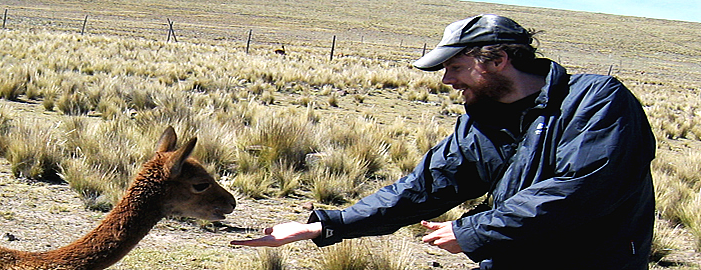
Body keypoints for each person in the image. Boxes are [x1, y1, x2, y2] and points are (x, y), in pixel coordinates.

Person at [231, 14, 655, 270]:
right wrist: (325, 225)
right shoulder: (482, 121)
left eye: (455, 66)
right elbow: (422, 189)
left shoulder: (597, 100)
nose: (447, 80)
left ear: (497, 60)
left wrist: (473, 229)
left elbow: (581, 189)